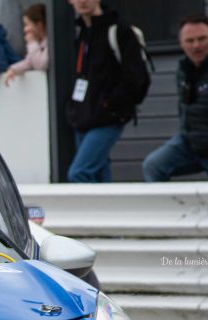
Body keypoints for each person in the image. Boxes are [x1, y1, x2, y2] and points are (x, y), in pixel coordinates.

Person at [142, 14, 208, 182]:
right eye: (190, 41)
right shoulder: (184, 68)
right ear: (181, 43)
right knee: (153, 165)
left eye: (202, 39)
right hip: (189, 144)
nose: (196, 46)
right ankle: (166, 208)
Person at [65, 0, 149, 183]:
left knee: (79, 172)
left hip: (107, 117)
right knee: (99, 175)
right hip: (83, 117)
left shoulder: (119, 30)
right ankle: (109, 211)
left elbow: (136, 77)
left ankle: (91, 212)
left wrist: (110, 104)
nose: (82, 1)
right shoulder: (80, 32)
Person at [4, 3, 47, 86]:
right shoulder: (40, 44)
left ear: (39, 25)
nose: (25, 30)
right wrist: (13, 69)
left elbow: (41, 65)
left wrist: (32, 43)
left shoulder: (49, 43)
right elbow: (29, 61)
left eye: (27, 25)